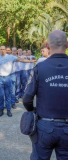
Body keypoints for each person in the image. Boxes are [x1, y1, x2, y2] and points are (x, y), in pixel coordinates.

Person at [23, 30, 68, 160]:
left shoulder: (40, 68)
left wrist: (33, 111)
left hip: (45, 127)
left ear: (47, 46)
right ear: (67, 45)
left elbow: (27, 99)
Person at [0, 45, 35, 117]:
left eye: (3, 49)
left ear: (6, 50)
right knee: (1, 95)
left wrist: (31, 61)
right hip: (0, 78)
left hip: (8, 78)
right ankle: (1, 110)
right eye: (1, 49)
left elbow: (21, 60)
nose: (2, 50)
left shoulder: (10, 57)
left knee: (8, 95)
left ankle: (9, 110)